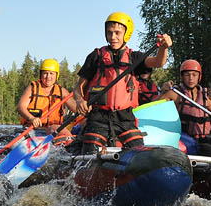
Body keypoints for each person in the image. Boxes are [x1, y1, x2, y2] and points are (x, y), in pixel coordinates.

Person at [71, 12, 171, 155]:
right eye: (109, 33)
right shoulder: (96, 56)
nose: (113, 37)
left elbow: (158, 62)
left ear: (126, 33)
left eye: (117, 33)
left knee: (139, 154)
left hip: (125, 118)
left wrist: (164, 48)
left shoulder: (134, 57)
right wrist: (80, 100)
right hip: (99, 117)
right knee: (90, 154)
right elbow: (78, 87)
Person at [156, 59, 211, 158]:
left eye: (194, 75)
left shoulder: (205, 96)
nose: (191, 78)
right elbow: (153, 107)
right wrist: (163, 91)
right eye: (187, 75)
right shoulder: (174, 94)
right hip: (185, 139)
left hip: (204, 138)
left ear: (199, 77)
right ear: (182, 77)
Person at [16, 58, 78, 142]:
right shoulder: (32, 88)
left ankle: (71, 144)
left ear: (56, 75)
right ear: (41, 74)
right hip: (31, 130)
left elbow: (77, 109)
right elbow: (21, 107)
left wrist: (86, 105)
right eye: (45, 73)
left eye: (51, 73)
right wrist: (32, 118)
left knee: (57, 128)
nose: (48, 77)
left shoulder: (62, 91)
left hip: (52, 130)